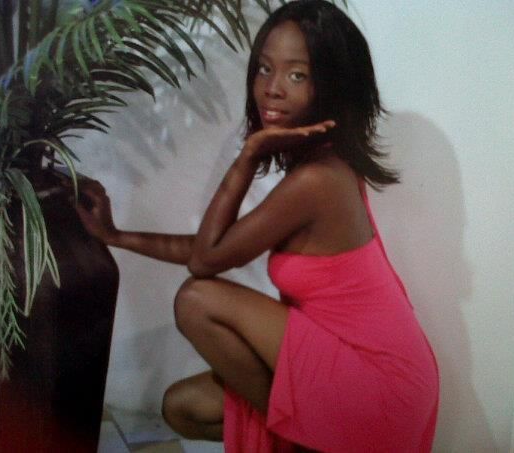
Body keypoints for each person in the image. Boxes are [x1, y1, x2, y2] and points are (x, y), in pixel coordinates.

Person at [76, 1, 439, 451]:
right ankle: (299, 434)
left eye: (297, 75)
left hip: (379, 380)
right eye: (265, 69)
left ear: (333, 84)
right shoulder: (320, 166)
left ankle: (294, 441)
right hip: (339, 355)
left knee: (195, 300)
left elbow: (205, 262)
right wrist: (115, 236)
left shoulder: (318, 180)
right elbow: (216, 247)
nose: (272, 89)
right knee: (182, 407)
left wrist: (248, 156)